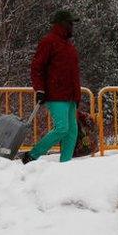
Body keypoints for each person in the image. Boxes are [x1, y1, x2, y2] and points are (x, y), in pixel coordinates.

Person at [22, 9, 82, 164]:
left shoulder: (68, 45)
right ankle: (32, 155)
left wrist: (77, 96)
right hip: (55, 94)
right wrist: (40, 89)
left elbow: (73, 73)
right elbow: (37, 67)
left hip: (70, 96)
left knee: (72, 132)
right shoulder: (48, 41)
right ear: (61, 24)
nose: (72, 26)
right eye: (70, 23)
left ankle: (65, 164)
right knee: (62, 128)